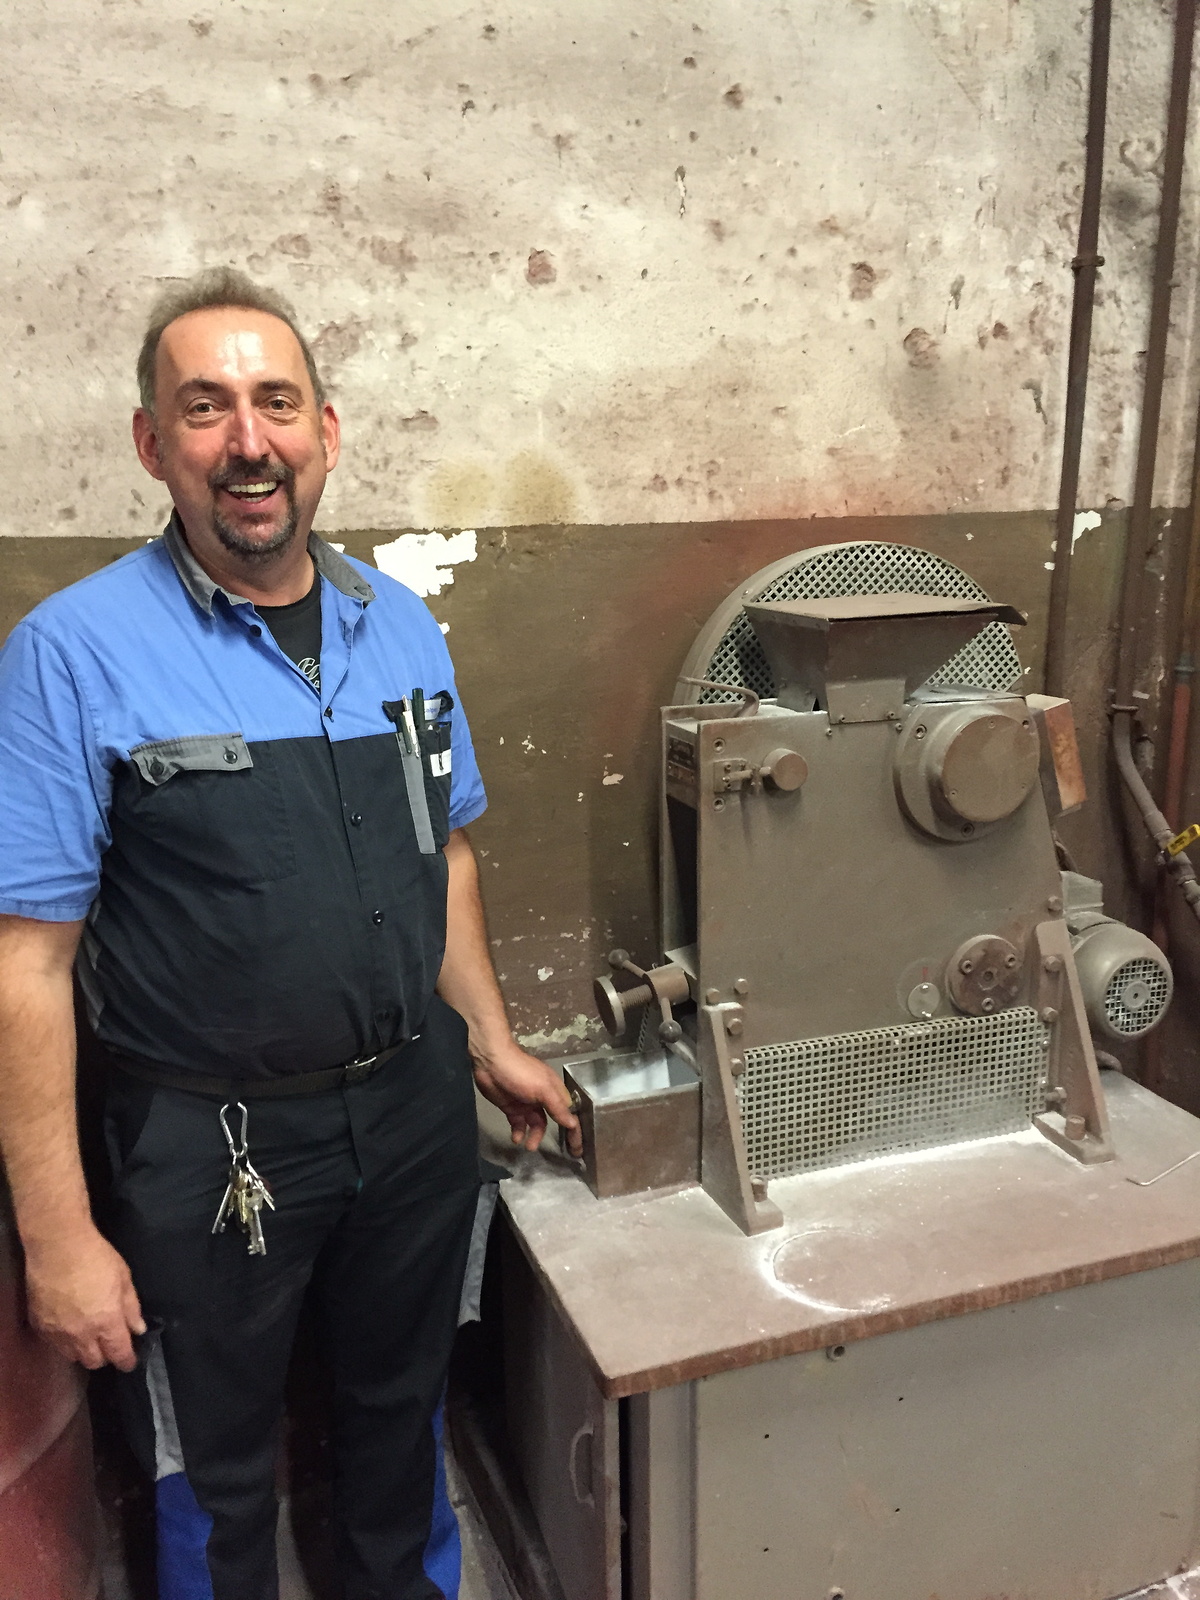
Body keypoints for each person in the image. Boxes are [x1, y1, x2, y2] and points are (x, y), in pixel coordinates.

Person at [0, 267, 581, 1600]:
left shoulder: (401, 627)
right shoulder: (72, 653)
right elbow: (28, 961)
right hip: (206, 1141)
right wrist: (58, 1234)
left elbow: (447, 856)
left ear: (327, 431)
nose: (246, 441)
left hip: (414, 1110)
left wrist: (491, 1042)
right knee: (211, 1458)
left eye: (275, 402)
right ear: (153, 443)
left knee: (402, 1407)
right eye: (204, 407)